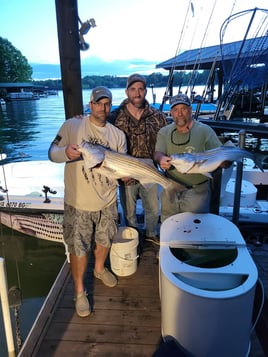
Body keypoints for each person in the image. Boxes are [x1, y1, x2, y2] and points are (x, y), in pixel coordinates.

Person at [48, 86, 127, 318]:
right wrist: (66, 153)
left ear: (110, 106)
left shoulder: (118, 135)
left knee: (105, 239)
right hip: (79, 202)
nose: (102, 108)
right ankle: (80, 292)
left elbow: (120, 169)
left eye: (107, 104)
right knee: (78, 248)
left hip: (108, 200)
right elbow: (52, 152)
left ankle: (100, 269)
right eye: (98, 103)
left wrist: (127, 175)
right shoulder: (73, 125)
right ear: (90, 104)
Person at [108, 73, 168, 241]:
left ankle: (150, 235)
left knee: (153, 208)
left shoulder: (158, 117)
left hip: (149, 170)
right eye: (133, 89)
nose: (137, 93)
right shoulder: (114, 117)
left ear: (146, 91)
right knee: (129, 211)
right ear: (127, 92)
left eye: (141, 89)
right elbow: (97, 129)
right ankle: (132, 237)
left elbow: (168, 139)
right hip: (125, 174)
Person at [154, 93, 223, 222]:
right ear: (171, 112)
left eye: (183, 109)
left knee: (195, 229)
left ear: (190, 110)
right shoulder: (164, 131)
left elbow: (221, 155)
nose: (179, 113)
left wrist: (224, 161)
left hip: (197, 191)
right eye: (175, 110)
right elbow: (158, 153)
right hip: (170, 187)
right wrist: (161, 158)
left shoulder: (205, 131)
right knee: (169, 224)